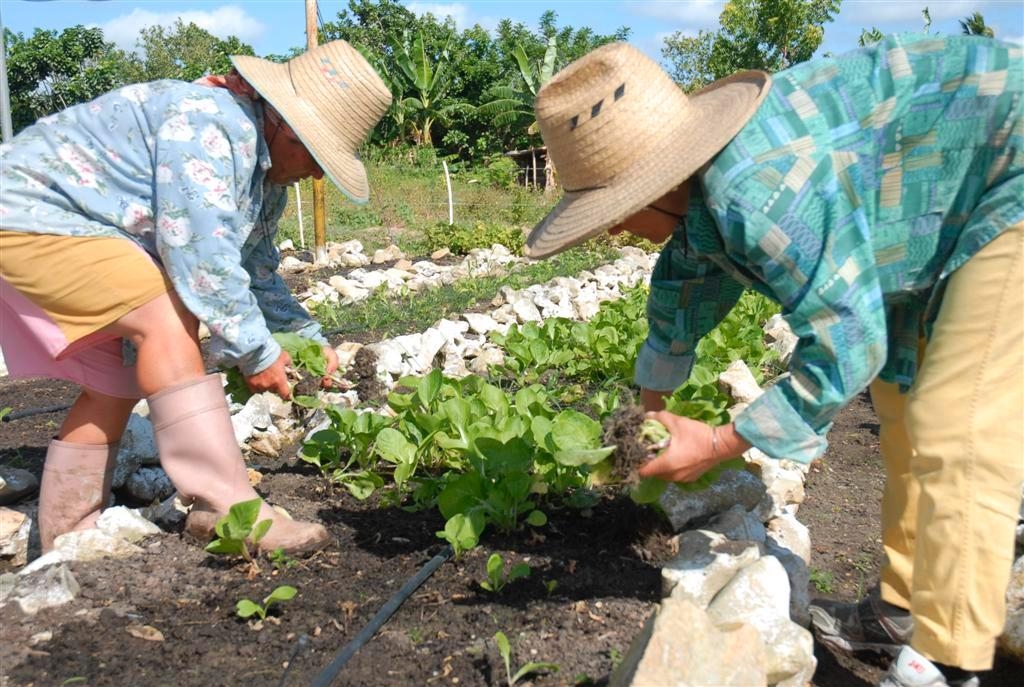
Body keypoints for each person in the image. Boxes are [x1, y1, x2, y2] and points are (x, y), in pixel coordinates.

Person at [524, 35, 1022, 687]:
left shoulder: (755, 193)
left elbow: (847, 340)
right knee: (901, 402)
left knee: (959, 424)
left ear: (656, 183)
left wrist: (723, 442)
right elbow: (681, 288)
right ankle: (903, 609)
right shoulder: (703, 193)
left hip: (1007, 172)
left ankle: (951, 662)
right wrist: (649, 414)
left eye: (612, 213)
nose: (611, 230)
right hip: (928, 205)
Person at [0, 40, 392, 556]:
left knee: (117, 383)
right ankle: (226, 505)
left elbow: (255, 270)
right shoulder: (210, 125)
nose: (318, 173)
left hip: (81, 228)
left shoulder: (262, 168)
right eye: (318, 155)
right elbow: (200, 257)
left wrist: (303, 338)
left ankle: (70, 542)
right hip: (33, 212)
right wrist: (257, 352)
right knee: (164, 318)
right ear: (288, 125)